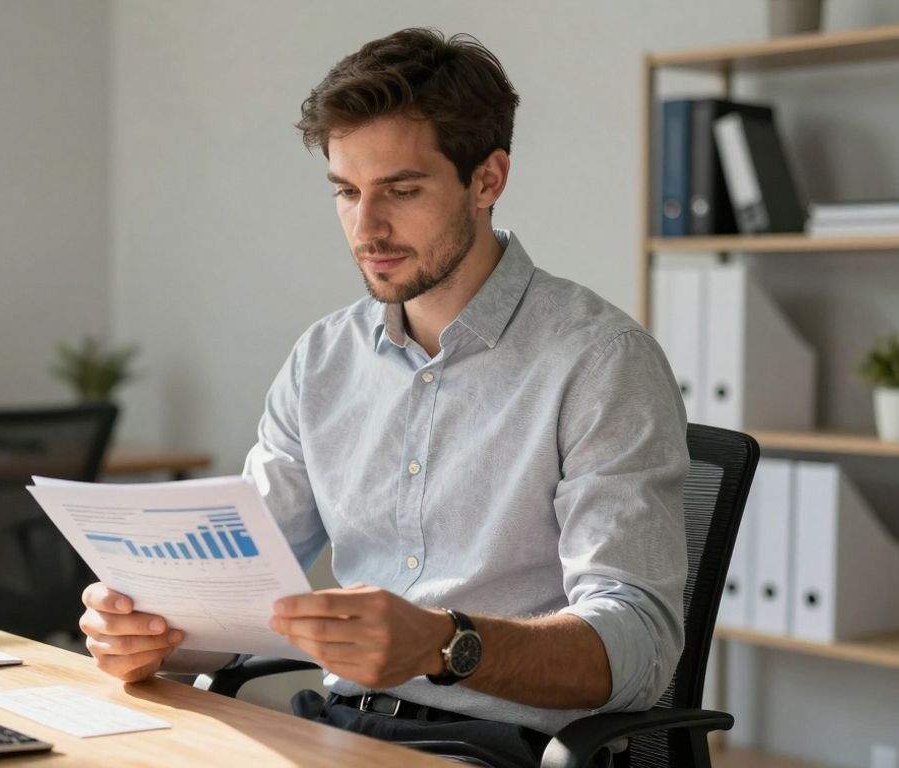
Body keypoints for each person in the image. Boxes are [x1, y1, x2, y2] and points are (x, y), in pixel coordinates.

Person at [78, 28, 688, 766]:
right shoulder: (322, 360)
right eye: (347, 192)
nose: (366, 228)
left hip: (501, 748)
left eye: (401, 190)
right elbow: (233, 590)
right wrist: (151, 633)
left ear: (487, 180)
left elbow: (640, 647)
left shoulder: (601, 360)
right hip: (334, 729)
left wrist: (445, 644)